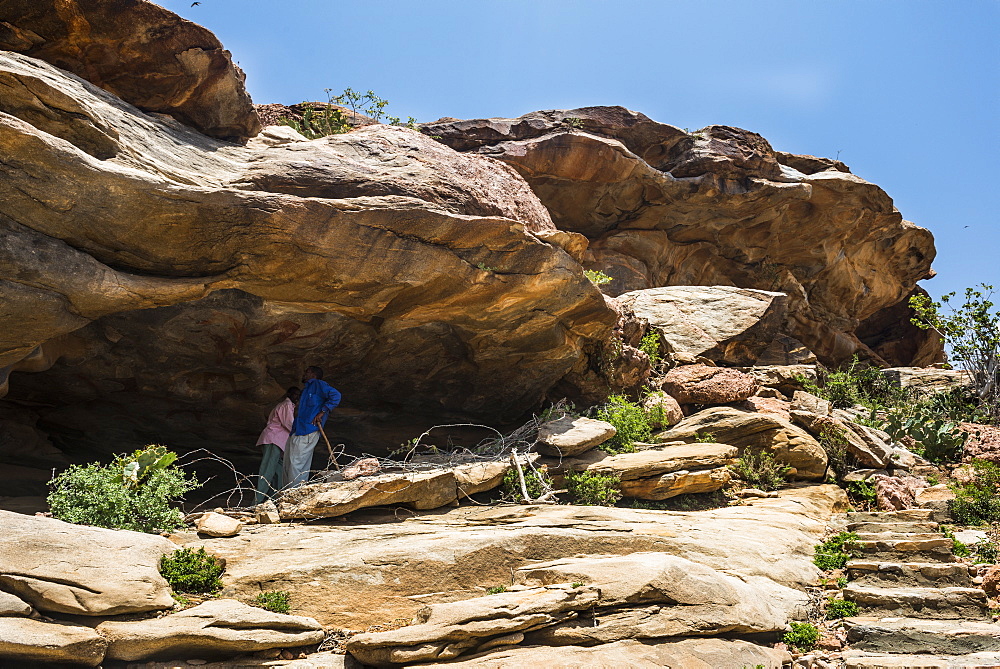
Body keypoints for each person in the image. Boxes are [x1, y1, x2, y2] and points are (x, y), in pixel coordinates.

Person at [283, 365, 341, 488]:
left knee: (297, 463)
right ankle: (286, 492)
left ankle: (294, 493)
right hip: (296, 430)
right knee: (288, 463)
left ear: (314, 374)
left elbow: (336, 396)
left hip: (309, 430)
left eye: (307, 372)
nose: (304, 374)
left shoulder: (319, 385)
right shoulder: (305, 390)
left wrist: (323, 412)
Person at [254, 386, 301, 504]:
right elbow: (288, 423)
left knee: (279, 471)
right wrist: (300, 434)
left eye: (298, 395)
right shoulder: (286, 405)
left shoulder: (289, 406)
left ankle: (276, 498)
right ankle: (257, 501)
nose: (297, 397)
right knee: (267, 470)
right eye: (295, 394)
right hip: (273, 440)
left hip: (278, 442)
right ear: (289, 394)